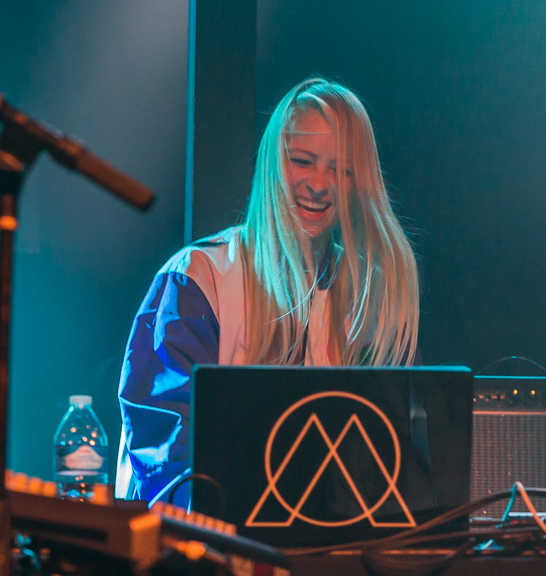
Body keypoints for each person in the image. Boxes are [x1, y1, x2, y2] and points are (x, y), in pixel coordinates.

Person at [115, 77, 420, 503]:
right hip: (209, 552)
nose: (319, 184)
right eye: (303, 161)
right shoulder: (199, 277)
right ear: (273, 162)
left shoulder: (374, 299)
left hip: (333, 552)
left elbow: (400, 453)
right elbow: (164, 446)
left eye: (340, 169)